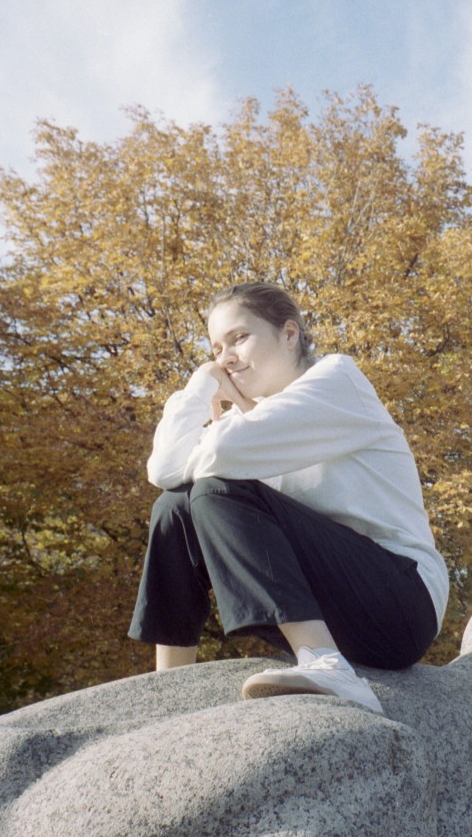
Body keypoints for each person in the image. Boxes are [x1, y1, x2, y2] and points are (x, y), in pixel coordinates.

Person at [128, 282, 449, 715]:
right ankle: (169, 689)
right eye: (216, 348)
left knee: (215, 488)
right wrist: (200, 386)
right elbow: (164, 470)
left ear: (289, 334)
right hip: (335, 605)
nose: (225, 358)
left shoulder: (337, 382)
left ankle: (326, 664)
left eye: (239, 337)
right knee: (175, 507)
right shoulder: (255, 420)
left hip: (401, 603)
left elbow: (214, 456)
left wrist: (217, 409)